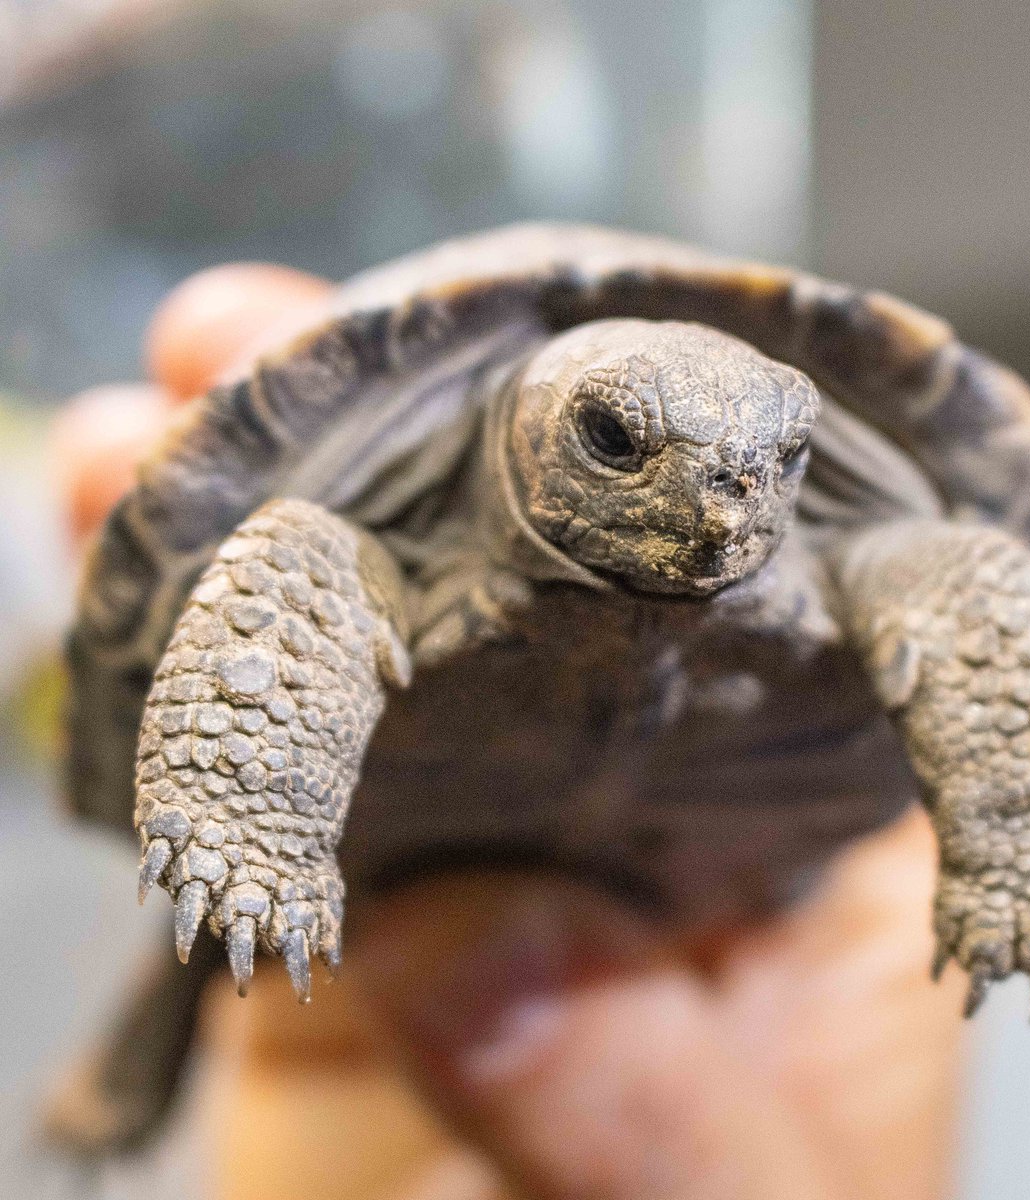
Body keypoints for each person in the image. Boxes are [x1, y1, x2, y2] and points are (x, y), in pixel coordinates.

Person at [55, 262, 968, 1200]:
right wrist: (250, 821)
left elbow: (961, 576)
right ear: (527, 428)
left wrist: (1028, 838)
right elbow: (298, 551)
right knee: (281, 665)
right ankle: (162, 1022)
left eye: (783, 460)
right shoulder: (346, 535)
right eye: (612, 440)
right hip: (449, 819)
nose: (731, 498)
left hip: (722, 871)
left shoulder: (857, 545)